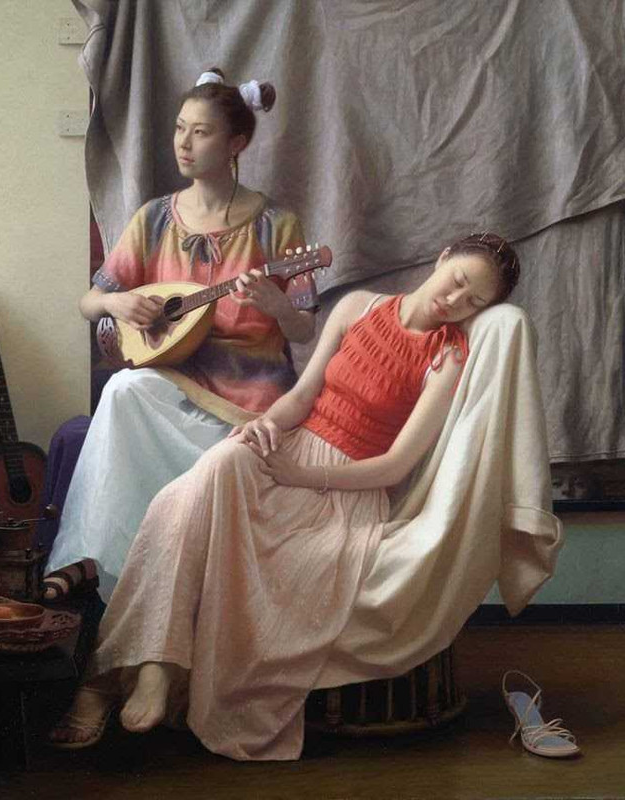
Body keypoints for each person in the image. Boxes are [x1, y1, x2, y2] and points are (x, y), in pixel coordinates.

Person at [49, 232, 522, 759]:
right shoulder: (358, 308)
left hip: (342, 486)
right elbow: (300, 397)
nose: (454, 300)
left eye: (474, 301)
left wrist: (303, 476)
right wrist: (265, 426)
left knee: (197, 499)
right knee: (200, 481)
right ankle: (156, 663)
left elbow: (396, 465)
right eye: (457, 281)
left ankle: (107, 679)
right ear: (442, 258)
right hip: (288, 445)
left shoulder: (447, 359)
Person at [43, 68, 319, 601]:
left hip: (249, 397)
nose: (184, 143)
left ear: (236, 143)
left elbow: (304, 328)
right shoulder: (154, 220)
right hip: (173, 381)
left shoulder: (276, 225)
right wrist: (117, 301)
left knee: (132, 401)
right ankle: (105, 566)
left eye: (201, 132)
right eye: (179, 128)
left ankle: (173, 581)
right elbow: (88, 303)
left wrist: (277, 305)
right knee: (123, 389)